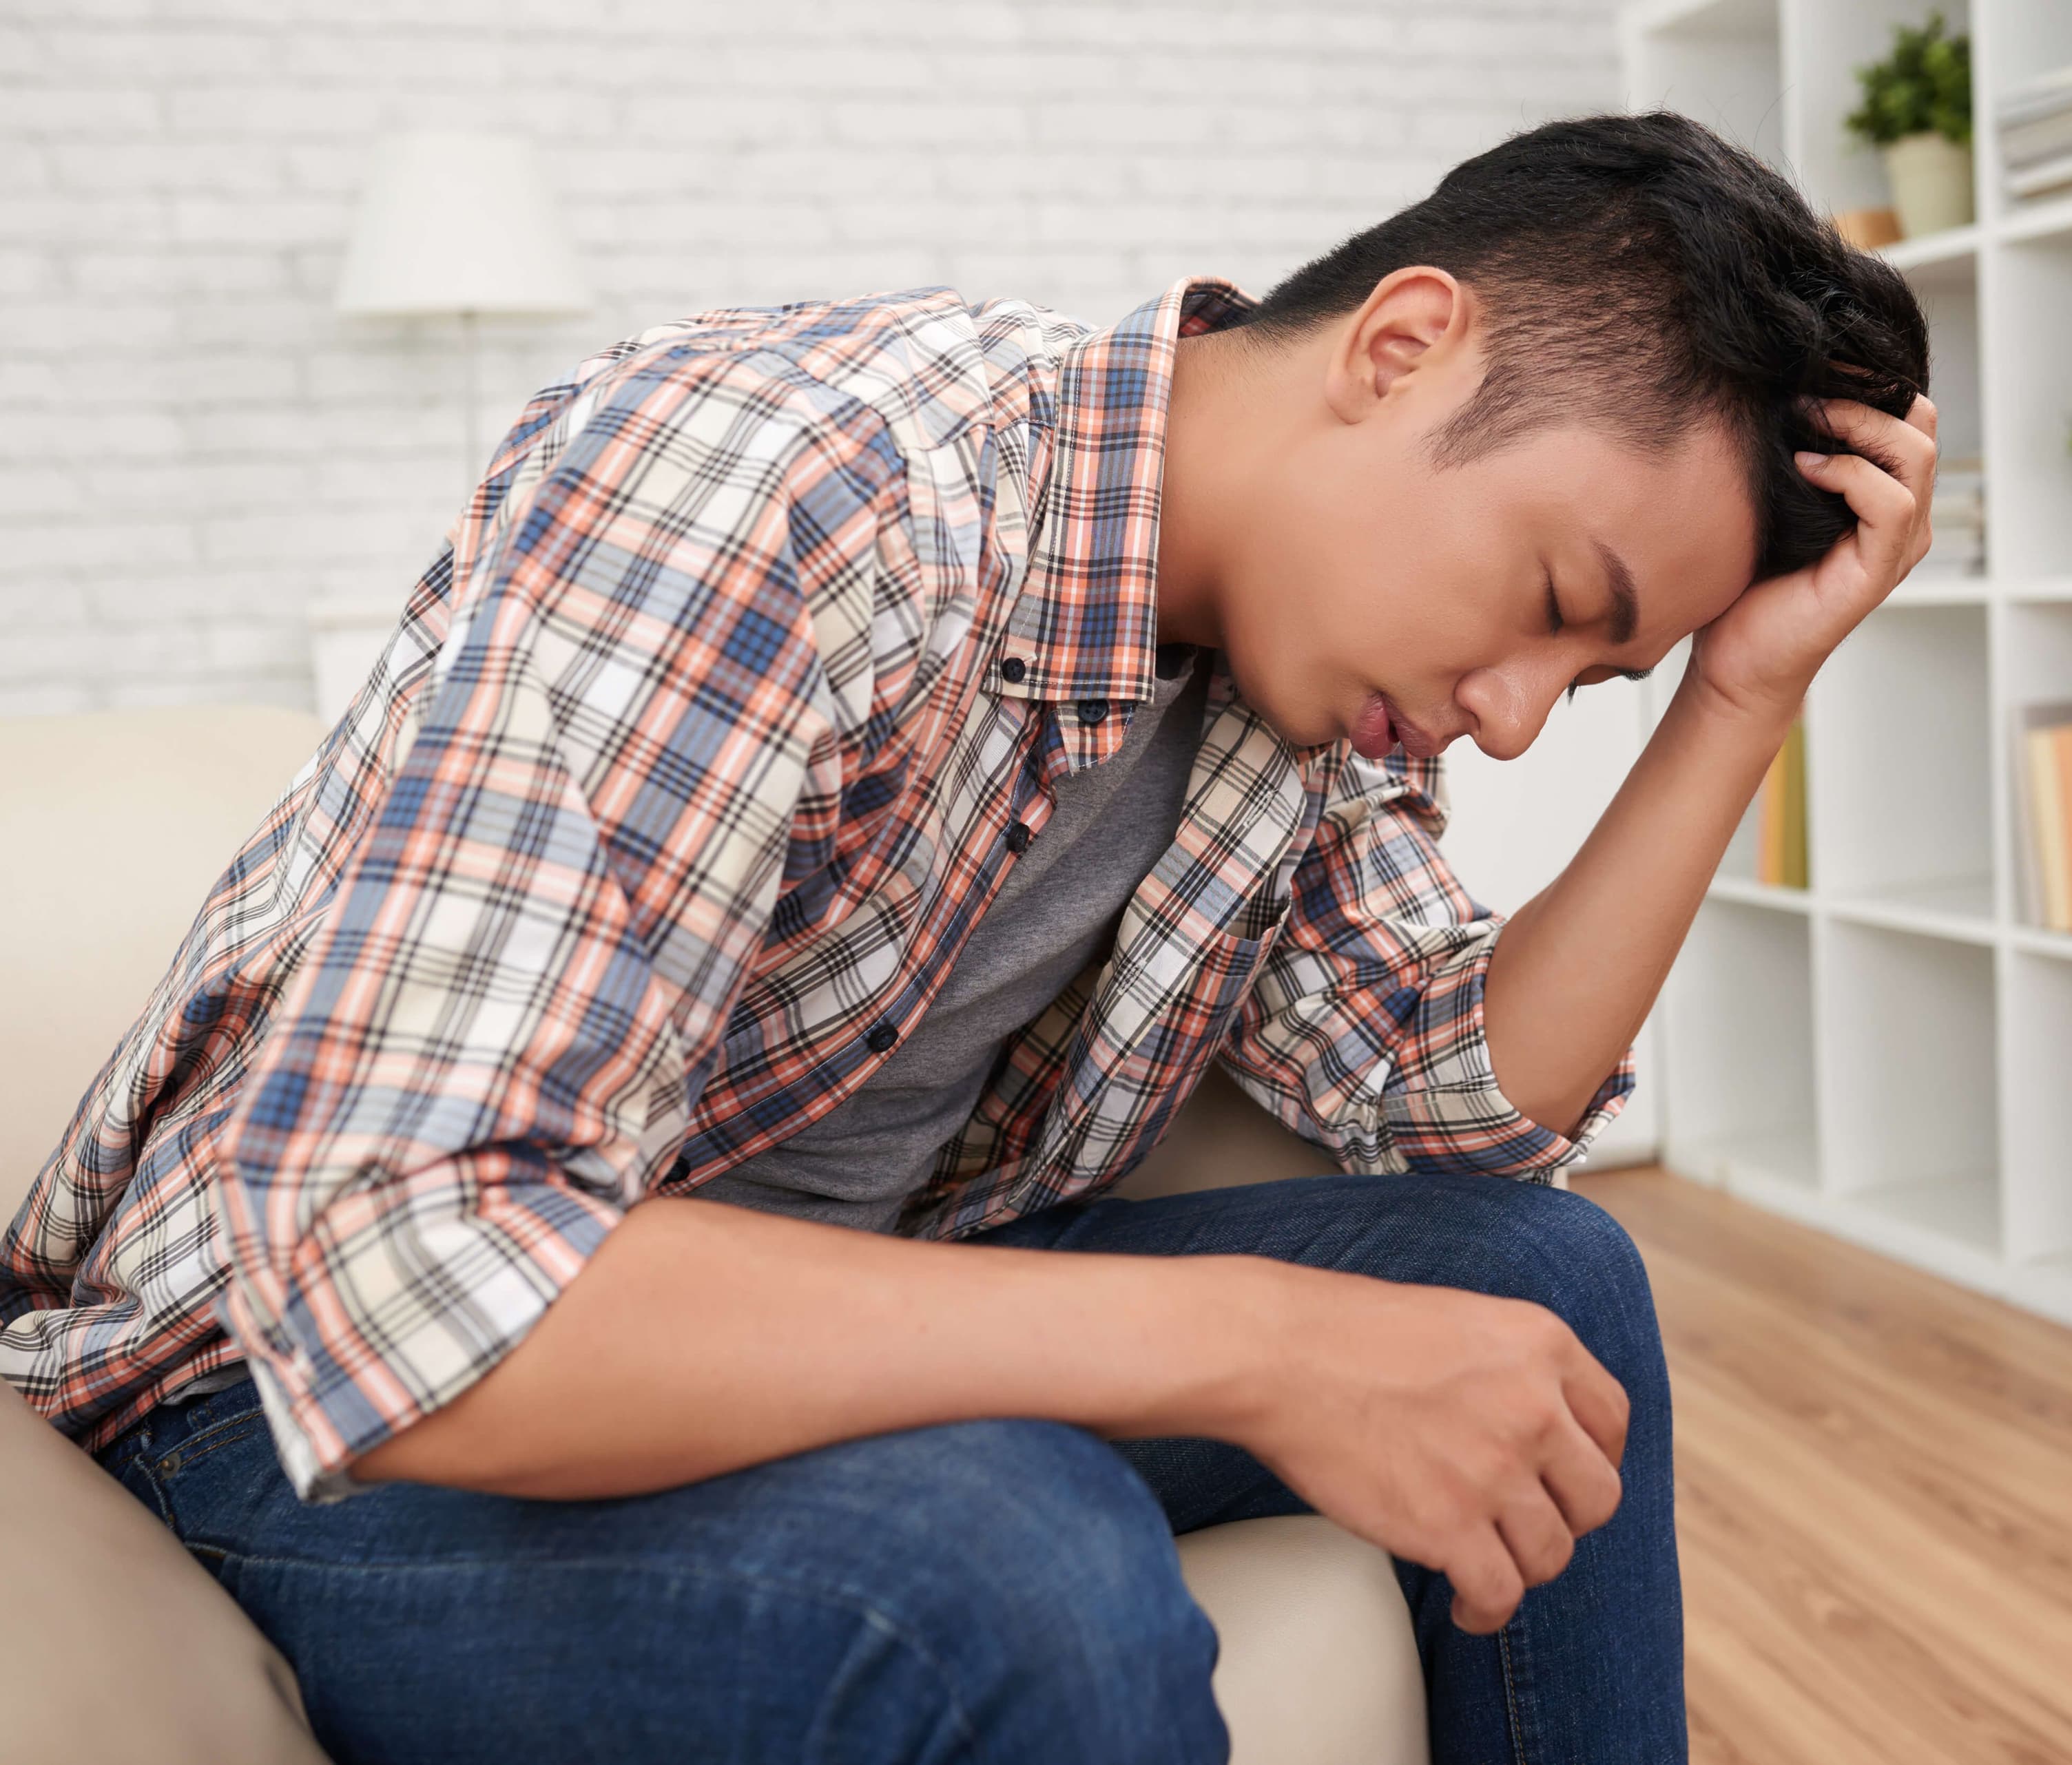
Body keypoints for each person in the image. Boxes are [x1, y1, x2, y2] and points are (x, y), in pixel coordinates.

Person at [2, 112, 1931, 1764]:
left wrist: (1736, 699)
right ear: (1406, 344)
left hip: (841, 1297)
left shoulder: (1300, 689)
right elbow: (407, 1281)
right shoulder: (793, 484)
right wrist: (1252, 1341)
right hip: (287, 1412)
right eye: (1554, 599)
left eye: (1589, 680)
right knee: (1018, 1557)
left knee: (1542, 1284)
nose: (1516, 714)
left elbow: (1460, 1117)